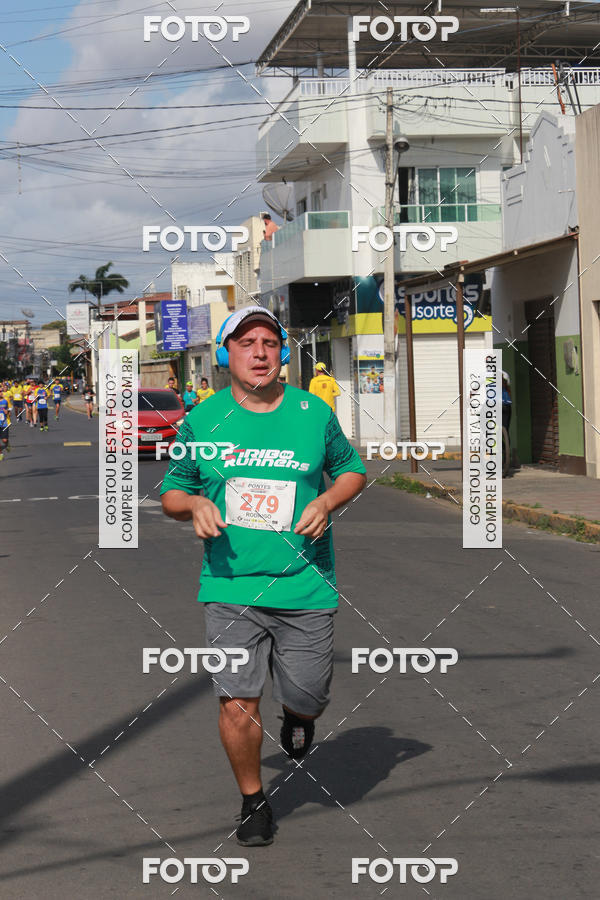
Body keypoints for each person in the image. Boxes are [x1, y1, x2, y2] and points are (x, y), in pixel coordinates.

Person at [160, 305, 366, 848]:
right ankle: (253, 800)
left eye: (269, 343)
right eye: (246, 342)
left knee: (308, 693)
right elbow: (173, 488)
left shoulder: (311, 412)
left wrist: (327, 498)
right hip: (230, 585)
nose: (259, 352)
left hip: (306, 582)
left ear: (282, 354)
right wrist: (191, 508)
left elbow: (352, 470)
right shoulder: (204, 420)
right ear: (226, 355)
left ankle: (299, 716)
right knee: (236, 698)